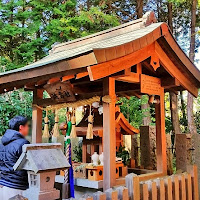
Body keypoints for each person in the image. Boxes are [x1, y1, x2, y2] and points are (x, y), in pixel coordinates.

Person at [0, 116, 30, 199]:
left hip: (2, 183)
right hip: (16, 185)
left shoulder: (1, 142)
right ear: (21, 127)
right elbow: (30, 163)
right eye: (27, 126)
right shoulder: (23, 143)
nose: (28, 128)